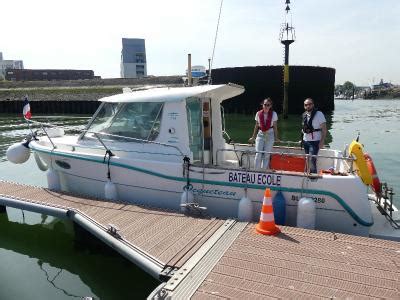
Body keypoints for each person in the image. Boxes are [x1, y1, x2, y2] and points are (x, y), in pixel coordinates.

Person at [248, 98, 280, 169]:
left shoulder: (274, 114)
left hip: (270, 134)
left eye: (268, 105)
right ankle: (256, 170)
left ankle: (264, 170)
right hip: (260, 134)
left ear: (270, 106)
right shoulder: (258, 113)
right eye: (265, 104)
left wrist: (276, 137)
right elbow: (256, 125)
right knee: (258, 153)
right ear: (262, 105)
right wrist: (253, 137)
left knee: (266, 154)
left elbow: (275, 127)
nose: (266, 106)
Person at [301, 98, 327, 173]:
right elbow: (304, 129)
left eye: (310, 104)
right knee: (307, 159)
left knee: (312, 160)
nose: (308, 106)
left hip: (315, 141)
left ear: (313, 105)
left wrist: (322, 141)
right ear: (304, 106)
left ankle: (313, 178)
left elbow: (324, 129)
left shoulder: (319, 114)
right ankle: (307, 174)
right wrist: (302, 139)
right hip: (305, 141)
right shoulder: (304, 115)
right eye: (306, 105)